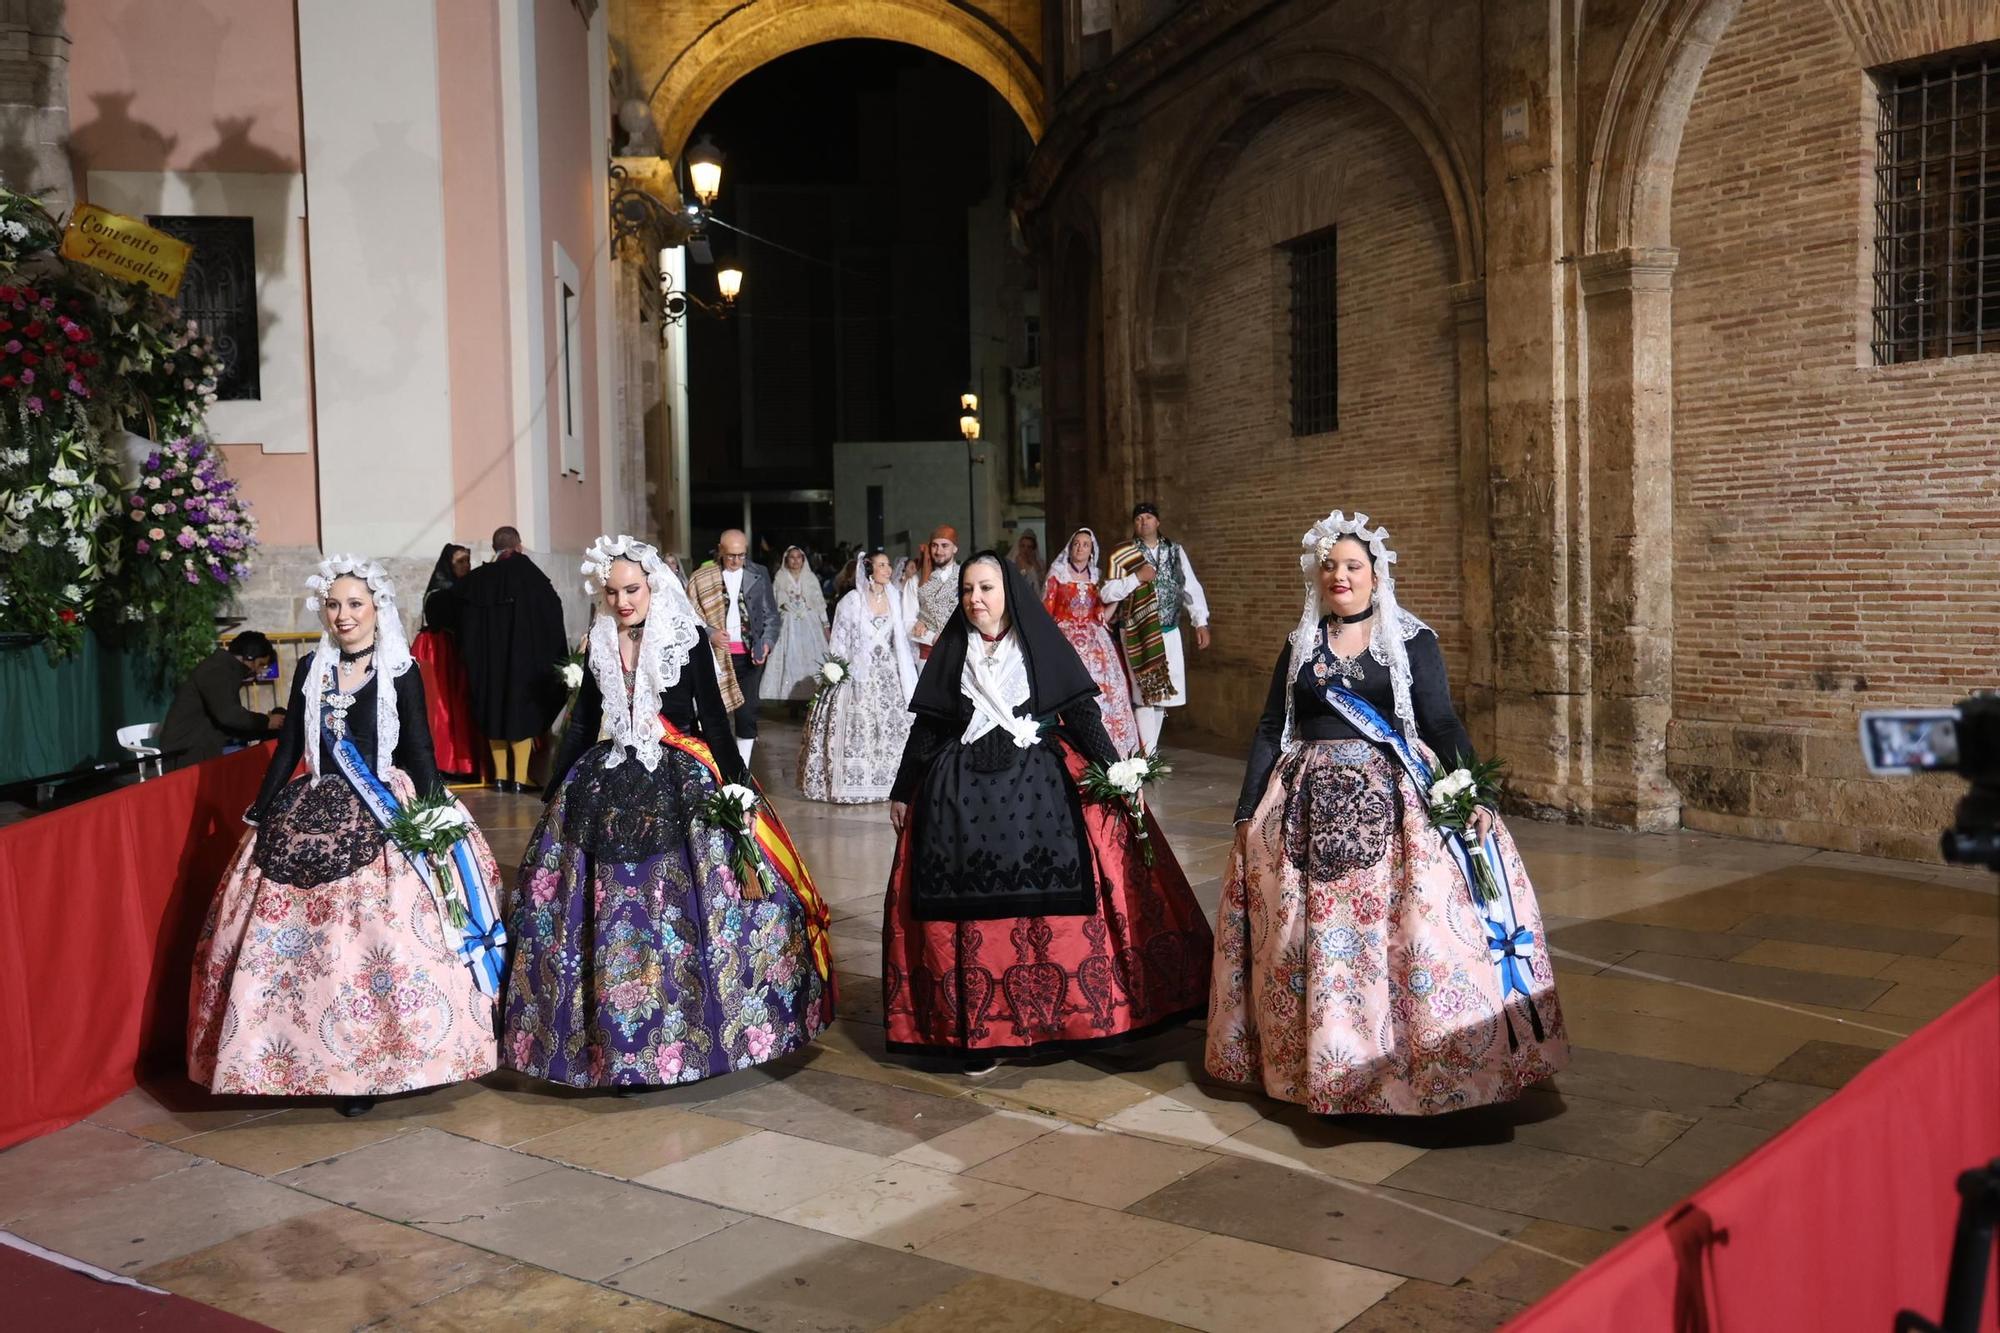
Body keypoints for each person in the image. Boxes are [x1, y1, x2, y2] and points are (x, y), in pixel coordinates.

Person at [1206, 512, 1568, 1115]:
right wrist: (1247, 812)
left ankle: (1411, 1067)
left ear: (1377, 574)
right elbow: (1272, 727)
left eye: (1352, 566)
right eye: (1330, 566)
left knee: (1401, 936)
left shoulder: (1410, 640)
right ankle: (1325, 1064)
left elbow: (1441, 721)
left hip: (1397, 805)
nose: (1339, 576)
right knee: (1312, 941)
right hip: (1304, 811)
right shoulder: (1300, 644)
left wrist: (1475, 792)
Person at [501, 535, 834, 1088]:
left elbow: (713, 718)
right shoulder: (601, 639)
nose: (622, 602)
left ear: (653, 585)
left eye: (631, 590)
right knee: (602, 911)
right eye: (612, 593)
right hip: (608, 777)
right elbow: (585, 721)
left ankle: (688, 1033)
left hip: (679, 772)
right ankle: (614, 1042)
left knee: (686, 907)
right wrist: (556, 790)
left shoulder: (688, 638)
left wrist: (735, 786)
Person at [188, 556, 505, 1117]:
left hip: (385, 808)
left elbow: (419, 751)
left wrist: (434, 817)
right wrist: (262, 809)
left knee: (378, 937)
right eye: (334, 604)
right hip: (311, 807)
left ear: (377, 608)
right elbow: (289, 748)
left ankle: (376, 1063)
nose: (343, 615)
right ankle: (290, 1057)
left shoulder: (400, 669)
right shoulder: (310, 666)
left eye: (355, 604)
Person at [882, 554, 1213, 1072]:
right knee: (968, 910)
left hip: (1039, 788)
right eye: (969, 590)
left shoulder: (1039, 643)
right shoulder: (953, 650)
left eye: (986, 588)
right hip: (961, 796)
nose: (976, 599)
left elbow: (1082, 714)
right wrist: (904, 790)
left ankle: (1059, 1016)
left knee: (1057, 897)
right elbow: (928, 727)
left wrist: (1118, 773)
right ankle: (981, 1030)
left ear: (1007, 591)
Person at [455, 525, 569, 793]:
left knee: (493, 712)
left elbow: (462, 621)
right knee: (521, 715)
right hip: (523, 664)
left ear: (495, 548)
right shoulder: (532, 577)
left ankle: (499, 776)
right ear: (519, 546)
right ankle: (519, 778)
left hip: (488, 666)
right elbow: (551, 615)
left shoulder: (478, 579)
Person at [800, 550, 917, 803]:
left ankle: (893, 784)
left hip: (888, 672)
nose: (888, 570)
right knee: (856, 724)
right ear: (869, 569)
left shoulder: (895, 597)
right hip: (857, 673)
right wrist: (837, 671)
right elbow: (840, 640)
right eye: (882, 565)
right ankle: (852, 784)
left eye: (888, 565)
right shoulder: (852, 601)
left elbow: (903, 639)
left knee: (891, 725)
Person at [1103, 502, 1211, 754]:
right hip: (1136, 631)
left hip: (1168, 630)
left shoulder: (1174, 551)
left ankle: (1149, 752)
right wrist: (1136, 578)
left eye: (1148, 517)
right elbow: (1108, 592)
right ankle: (1147, 756)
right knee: (1143, 694)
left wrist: (1200, 622)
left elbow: (1190, 588)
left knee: (1162, 696)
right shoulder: (1124, 553)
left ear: (1158, 522)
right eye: (1139, 518)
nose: (1144, 522)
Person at [1043, 529, 1142, 758]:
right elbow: (1047, 611)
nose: (1080, 548)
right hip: (1064, 639)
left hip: (1095, 642)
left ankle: (1111, 745)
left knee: (1108, 689)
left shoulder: (1097, 577)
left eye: (1085, 544)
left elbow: (1101, 617)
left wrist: (1117, 598)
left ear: (1092, 550)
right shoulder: (1057, 574)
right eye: (1076, 543)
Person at [686, 528, 779, 766]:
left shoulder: (759, 574)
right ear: (720, 551)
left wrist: (766, 644)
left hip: (750, 656)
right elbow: (689, 615)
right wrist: (710, 633)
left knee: (746, 715)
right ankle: (716, 766)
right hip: (715, 657)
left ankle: (742, 770)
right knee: (715, 714)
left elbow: (772, 616)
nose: (736, 560)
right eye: (731, 556)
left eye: (741, 555)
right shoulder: (704, 577)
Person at [156, 630, 285, 770]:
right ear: (249, 656)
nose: (259, 671)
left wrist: (264, 727)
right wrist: (267, 721)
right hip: (185, 754)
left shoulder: (224, 669)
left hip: (197, 748)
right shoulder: (217, 670)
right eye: (260, 664)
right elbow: (229, 716)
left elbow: (230, 721)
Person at [411, 543, 484, 780]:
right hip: (439, 654)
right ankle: (443, 762)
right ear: (448, 565)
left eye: (467, 561)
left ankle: (464, 763)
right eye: (460, 562)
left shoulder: (466, 588)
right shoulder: (441, 593)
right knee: (441, 709)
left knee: (460, 708)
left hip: (456, 653)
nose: (466, 566)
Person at [762, 545, 829, 705]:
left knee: (812, 656)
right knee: (790, 655)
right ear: (786, 559)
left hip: (810, 623)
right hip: (788, 623)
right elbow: (773, 603)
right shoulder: (780, 577)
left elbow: (819, 603)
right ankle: (791, 697)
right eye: (792, 557)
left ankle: (813, 693)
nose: (795, 560)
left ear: (803, 559)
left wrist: (826, 625)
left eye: (799, 557)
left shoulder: (810, 577)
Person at [902, 525, 961, 661]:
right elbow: (908, 621)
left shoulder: (965, 576)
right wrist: (932, 637)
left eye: (944, 545)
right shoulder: (915, 580)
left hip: (961, 651)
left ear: (955, 548)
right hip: (928, 654)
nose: (939, 551)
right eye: (934, 546)